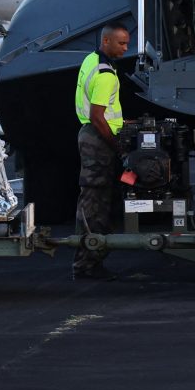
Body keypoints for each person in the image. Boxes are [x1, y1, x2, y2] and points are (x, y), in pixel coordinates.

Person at [71, 21, 132, 281]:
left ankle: (88, 261)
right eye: (121, 43)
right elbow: (98, 116)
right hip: (97, 138)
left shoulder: (91, 60)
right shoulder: (106, 74)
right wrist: (117, 146)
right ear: (106, 41)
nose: (125, 48)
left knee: (91, 200)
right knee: (95, 202)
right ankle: (87, 265)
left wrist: (122, 123)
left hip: (89, 133)